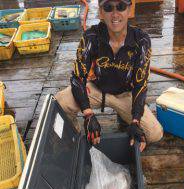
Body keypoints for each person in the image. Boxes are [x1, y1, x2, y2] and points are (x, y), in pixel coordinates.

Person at [55, 0, 163, 152]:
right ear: (100, 12)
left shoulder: (142, 40)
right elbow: (78, 78)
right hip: (96, 89)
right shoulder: (91, 37)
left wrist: (136, 120)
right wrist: (88, 114)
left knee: (155, 134)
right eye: (108, 7)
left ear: (129, 11)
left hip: (126, 94)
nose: (115, 14)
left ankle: (127, 120)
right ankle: (77, 138)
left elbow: (141, 84)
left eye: (121, 6)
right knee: (60, 103)